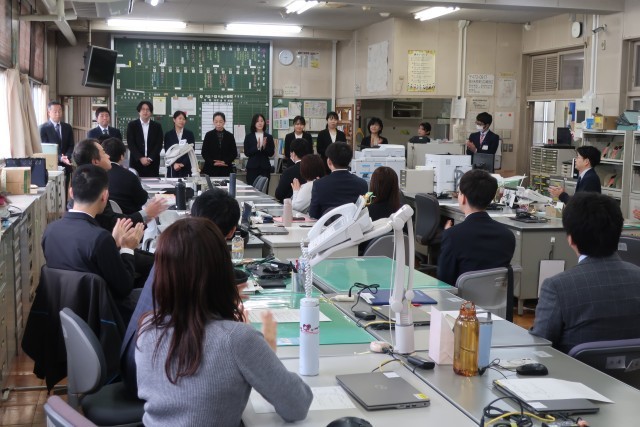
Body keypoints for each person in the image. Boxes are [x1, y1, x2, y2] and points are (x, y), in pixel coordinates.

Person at [135, 217, 313, 425]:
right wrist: (264, 348)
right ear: (223, 271)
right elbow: (297, 406)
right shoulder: (237, 339)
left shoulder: (148, 329)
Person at [121, 188, 249, 396]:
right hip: (151, 377)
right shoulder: (201, 264)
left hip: (135, 360)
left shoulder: (175, 250)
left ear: (191, 216)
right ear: (232, 231)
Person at [530, 193, 640, 353]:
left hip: (571, 369)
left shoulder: (557, 287)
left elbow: (540, 345)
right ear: (618, 233)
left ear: (571, 239)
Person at [42, 164, 144, 320]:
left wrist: (113, 243)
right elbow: (124, 288)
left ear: (71, 192)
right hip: (104, 317)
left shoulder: (50, 231)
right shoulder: (100, 238)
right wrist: (127, 249)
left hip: (62, 314)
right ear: (105, 196)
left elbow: (84, 264)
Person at [437, 169, 515, 286]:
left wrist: (449, 237)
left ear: (463, 198)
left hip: (462, 298)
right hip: (494, 297)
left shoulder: (453, 236)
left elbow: (443, 281)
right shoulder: (508, 235)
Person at [72, 139, 167, 232]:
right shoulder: (93, 188)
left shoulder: (81, 181)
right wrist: (146, 213)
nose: (108, 156)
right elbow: (111, 222)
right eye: (104, 153)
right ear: (95, 161)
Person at [309, 142, 368, 219]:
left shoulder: (318, 184)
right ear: (350, 161)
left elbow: (313, 214)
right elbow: (364, 212)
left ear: (329, 161)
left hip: (327, 225)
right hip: (354, 225)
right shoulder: (362, 184)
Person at [101, 137, 148, 215]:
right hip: (129, 219)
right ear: (122, 156)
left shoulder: (96, 176)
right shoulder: (130, 176)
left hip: (103, 219)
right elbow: (142, 200)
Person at [126, 100, 164, 177]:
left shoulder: (157, 126)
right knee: (136, 183)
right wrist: (140, 158)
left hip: (152, 163)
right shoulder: (132, 125)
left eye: (148, 109)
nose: (145, 112)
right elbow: (131, 144)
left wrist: (150, 158)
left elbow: (159, 144)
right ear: (139, 111)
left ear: (151, 112)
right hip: (136, 162)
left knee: (153, 183)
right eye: (143, 109)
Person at [40, 101, 74, 180]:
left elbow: (71, 145)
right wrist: (60, 158)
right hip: (51, 166)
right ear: (49, 113)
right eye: (55, 112)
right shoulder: (43, 128)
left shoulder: (67, 127)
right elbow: (45, 148)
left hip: (66, 164)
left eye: (60, 111)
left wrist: (66, 156)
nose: (58, 114)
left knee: (66, 186)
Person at [201, 111, 238, 177]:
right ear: (213, 122)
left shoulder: (230, 136)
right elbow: (204, 152)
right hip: (210, 169)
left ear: (224, 122)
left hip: (226, 169)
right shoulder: (208, 135)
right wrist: (213, 162)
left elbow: (234, 153)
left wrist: (225, 161)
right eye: (216, 122)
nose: (218, 124)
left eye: (220, 122)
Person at [275, 138, 312, 202]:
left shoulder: (288, 172)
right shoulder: (314, 169)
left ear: (293, 153)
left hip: (290, 204)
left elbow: (279, 194)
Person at [244, 113, 275, 186]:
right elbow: (247, 153)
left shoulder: (269, 137)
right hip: (252, 168)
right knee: (251, 189)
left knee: (264, 189)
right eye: (257, 121)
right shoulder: (249, 137)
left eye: (261, 121)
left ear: (264, 122)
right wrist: (257, 147)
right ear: (254, 123)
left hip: (265, 168)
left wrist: (264, 147)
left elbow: (271, 153)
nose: (260, 123)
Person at [163, 110, 195, 178]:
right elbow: (167, 152)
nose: (182, 121)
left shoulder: (189, 134)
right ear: (174, 120)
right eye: (180, 118)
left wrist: (183, 164)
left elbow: (191, 150)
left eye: (184, 119)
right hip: (173, 168)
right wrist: (174, 164)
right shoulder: (168, 135)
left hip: (186, 168)